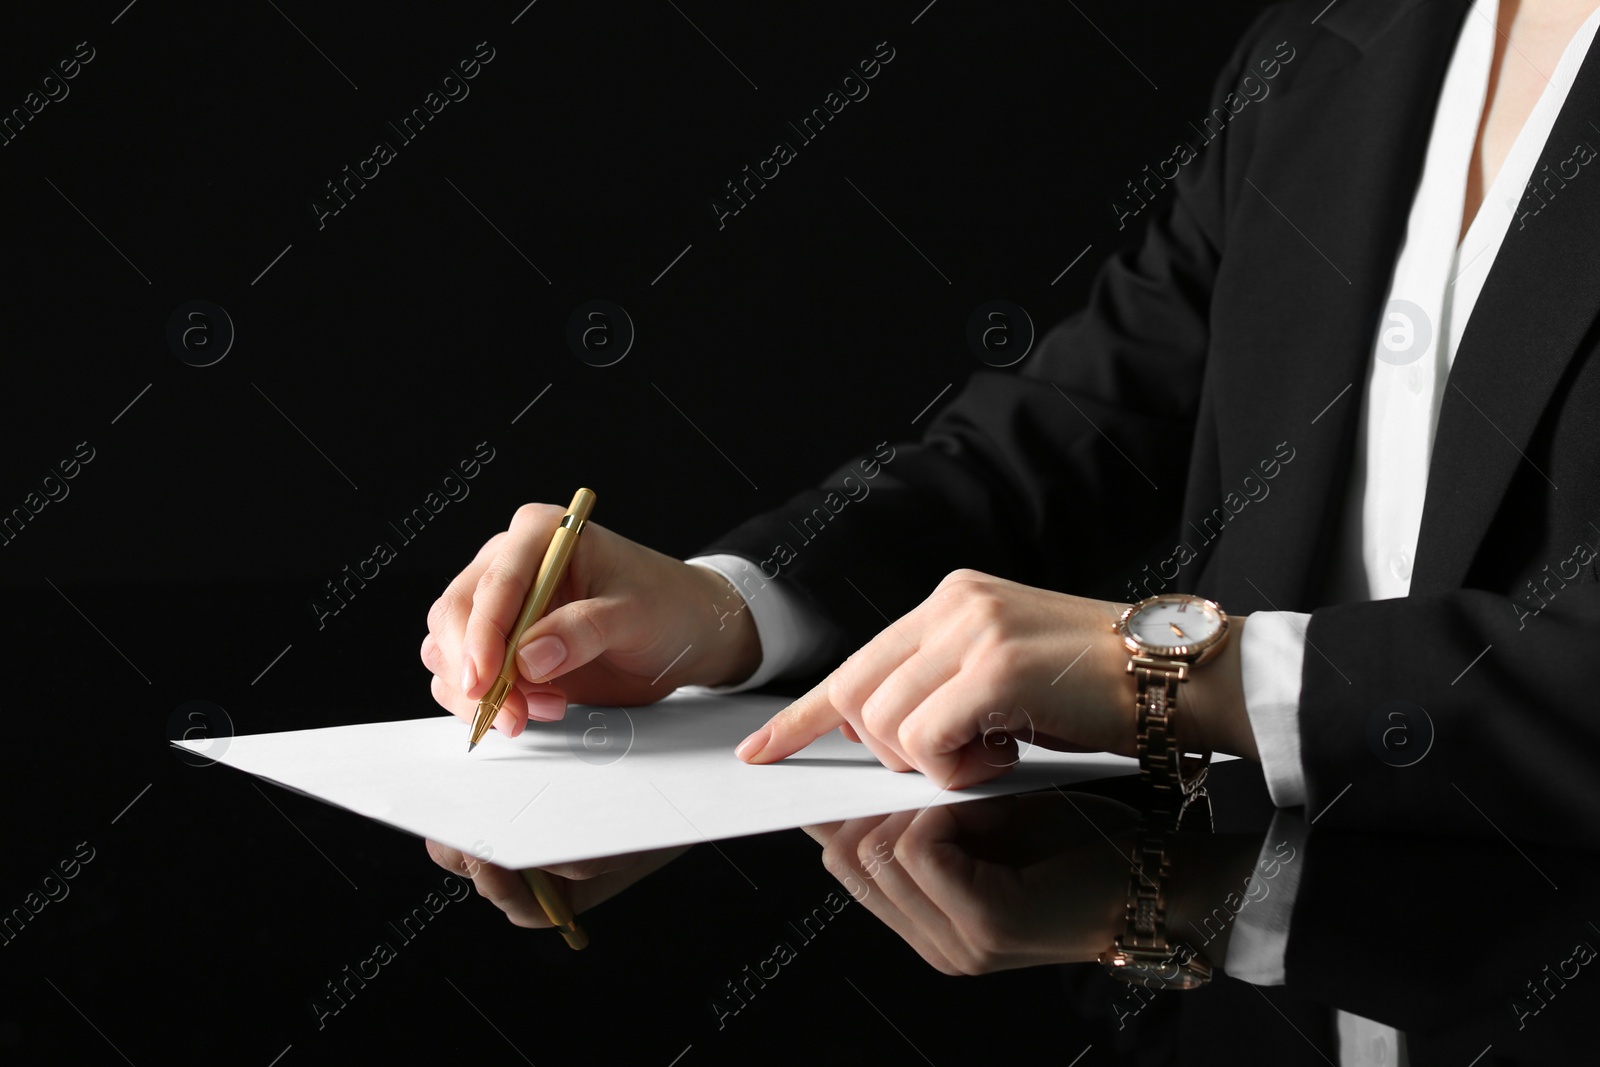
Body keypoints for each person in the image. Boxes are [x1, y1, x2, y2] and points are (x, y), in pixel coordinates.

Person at [424, 0, 1600, 960]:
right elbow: (1074, 429)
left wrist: (1186, 674)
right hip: (1265, 970)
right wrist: (728, 606)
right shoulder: (1328, 43)